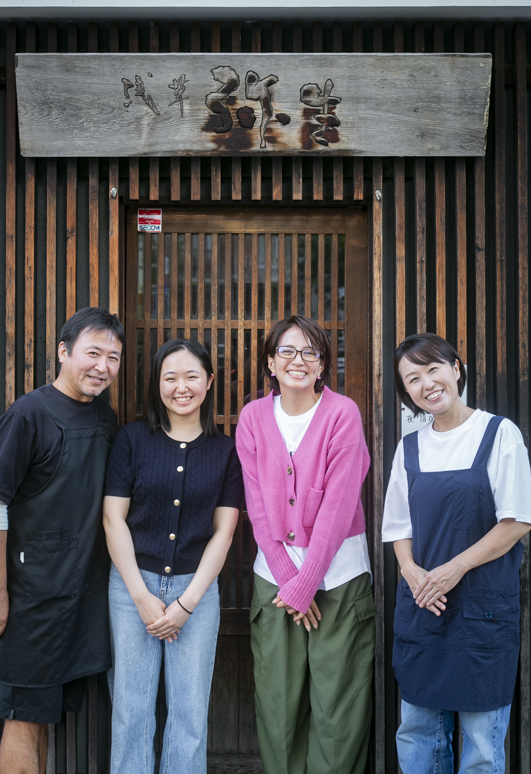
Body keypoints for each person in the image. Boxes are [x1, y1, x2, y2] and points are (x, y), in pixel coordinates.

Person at [0, 307, 124, 774]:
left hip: (80, 594)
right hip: (30, 599)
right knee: (24, 720)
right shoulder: (28, 415)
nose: (103, 366)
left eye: (113, 357)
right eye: (93, 353)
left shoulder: (105, 417)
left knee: (45, 719)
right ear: (63, 351)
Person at [382, 332, 531, 774]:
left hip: (481, 609)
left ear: (456, 369)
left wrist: (454, 568)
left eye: (433, 369)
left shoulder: (499, 433)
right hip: (424, 605)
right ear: (406, 392)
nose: (426, 383)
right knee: (417, 734)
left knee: (482, 743)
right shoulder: (410, 447)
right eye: (413, 378)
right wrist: (410, 571)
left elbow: (517, 521)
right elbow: (398, 527)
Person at [236, 314, 375, 774]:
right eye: (287, 351)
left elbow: (339, 507)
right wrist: (290, 581)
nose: (298, 360)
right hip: (275, 582)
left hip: (339, 580)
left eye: (310, 352)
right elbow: (257, 507)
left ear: (322, 365)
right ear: (270, 362)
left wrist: (307, 582)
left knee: (338, 711)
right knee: (278, 708)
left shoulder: (342, 413)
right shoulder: (253, 418)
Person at [103, 338, 243, 774]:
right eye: (170, 378)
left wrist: (187, 603)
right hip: (132, 586)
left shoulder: (226, 450)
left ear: (209, 381)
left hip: (196, 590)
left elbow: (224, 532)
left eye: (191, 376)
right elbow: (112, 519)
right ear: (157, 384)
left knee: (189, 713)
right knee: (131, 709)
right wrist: (141, 596)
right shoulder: (132, 439)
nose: (181, 387)